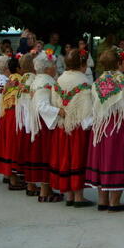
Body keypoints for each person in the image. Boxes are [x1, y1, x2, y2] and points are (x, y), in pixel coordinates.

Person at [85, 48, 124, 212]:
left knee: (102, 161)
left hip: (100, 126)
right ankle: (115, 202)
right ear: (120, 63)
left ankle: (102, 201)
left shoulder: (97, 82)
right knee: (115, 161)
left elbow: (93, 106)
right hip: (116, 126)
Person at [50, 49, 94, 207]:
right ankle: (78, 197)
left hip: (62, 126)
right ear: (82, 64)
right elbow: (87, 109)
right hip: (78, 128)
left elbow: (54, 103)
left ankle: (68, 195)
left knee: (64, 158)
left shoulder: (59, 80)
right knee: (77, 158)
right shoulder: (84, 82)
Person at [30, 51, 65, 202]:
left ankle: (47, 189)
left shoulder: (38, 80)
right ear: (47, 68)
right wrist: (59, 111)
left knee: (44, 155)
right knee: (46, 155)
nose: (56, 67)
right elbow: (42, 106)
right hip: (45, 126)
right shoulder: (46, 82)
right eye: (54, 65)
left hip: (41, 124)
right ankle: (45, 191)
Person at [0, 56, 26, 190]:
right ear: (19, 68)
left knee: (9, 146)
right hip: (14, 116)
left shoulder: (8, 81)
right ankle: (13, 180)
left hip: (4, 116)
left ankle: (11, 176)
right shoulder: (19, 80)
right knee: (14, 147)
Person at [15, 53, 40, 196]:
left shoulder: (23, 79)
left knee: (27, 153)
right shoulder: (33, 79)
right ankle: (31, 184)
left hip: (24, 122)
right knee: (33, 154)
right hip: (32, 122)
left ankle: (28, 182)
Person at [0, 56, 11, 184]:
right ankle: (7, 174)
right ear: (6, 68)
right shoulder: (7, 83)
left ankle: (7, 174)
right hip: (0, 117)